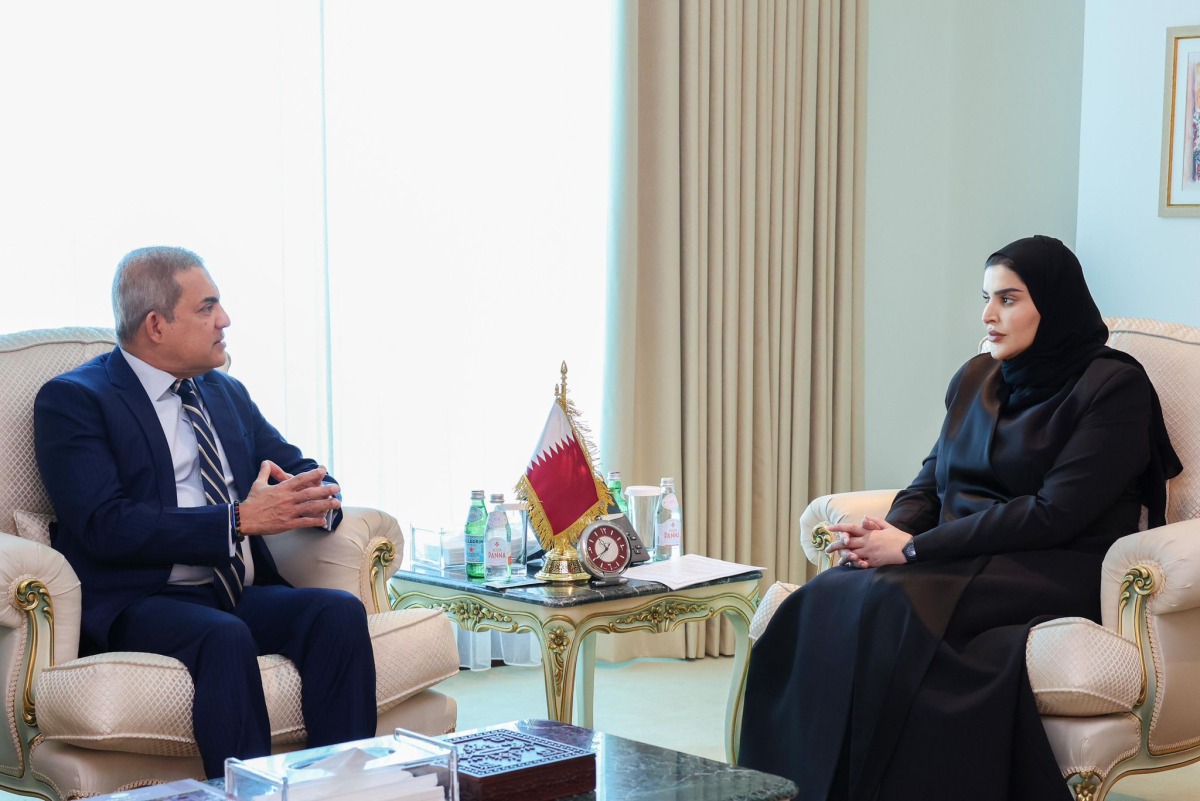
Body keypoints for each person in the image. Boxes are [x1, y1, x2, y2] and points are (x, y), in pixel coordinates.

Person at [737, 235, 1182, 800]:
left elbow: (1056, 512)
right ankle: (787, 789)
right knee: (819, 598)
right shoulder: (977, 377)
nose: (988, 315)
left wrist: (916, 550)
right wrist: (889, 531)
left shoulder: (1114, 387)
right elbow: (930, 478)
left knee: (887, 600)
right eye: (986, 297)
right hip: (959, 554)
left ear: (1054, 302)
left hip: (1051, 559)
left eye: (1009, 299)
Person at [33, 246, 377, 779]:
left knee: (337, 613)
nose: (225, 320)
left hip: (234, 591)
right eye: (206, 307)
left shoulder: (224, 392)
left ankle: (347, 787)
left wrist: (313, 499)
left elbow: (299, 469)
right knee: (223, 635)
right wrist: (237, 521)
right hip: (143, 600)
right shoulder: (76, 400)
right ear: (156, 324)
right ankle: (250, 794)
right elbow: (105, 524)